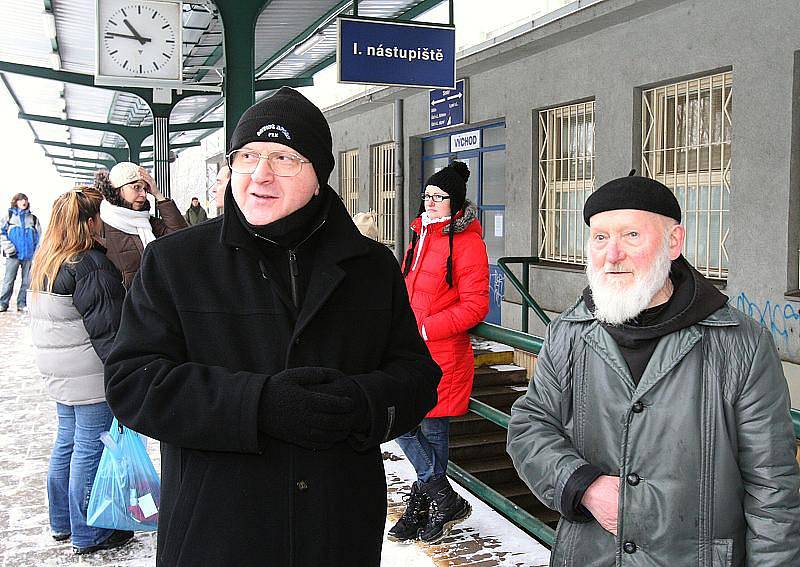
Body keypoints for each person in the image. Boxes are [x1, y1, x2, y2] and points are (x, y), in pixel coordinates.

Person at [103, 87, 441, 566]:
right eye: (248, 156)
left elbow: (416, 375)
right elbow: (133, 382)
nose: (260, 173)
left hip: (336, 531)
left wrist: (361, 404)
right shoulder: (177, 262)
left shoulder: (370, 267)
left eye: (283, 157)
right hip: (216, 535)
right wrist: (258, 405)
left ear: (319, 175)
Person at [507, 174, 800, 566]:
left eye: (630, 235)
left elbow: (772, 489)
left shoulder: (741, 343)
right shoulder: (570, 332)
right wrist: (582, 484)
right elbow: (530, 424)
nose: (612, 255)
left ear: (673, 242)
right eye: (599, 238)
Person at [27, 188, 133, 555]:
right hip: (89, 374)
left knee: (67, 444)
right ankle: (90, 532)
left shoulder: (48, 261)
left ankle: (62, 522)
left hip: (59, 372)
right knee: (89, 449)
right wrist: (126, 375)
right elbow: (109, 330)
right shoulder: (89, 265)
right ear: (90, 222)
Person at [389, 161, 489, 544]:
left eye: (439, 197)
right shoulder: (421, 236)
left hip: (443, 356)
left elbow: (476, 306)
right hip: (409, 353)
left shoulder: (467, 244)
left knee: (431, 430)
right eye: (427, 195)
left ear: (456, 203)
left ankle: (427, 505)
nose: (430, 202)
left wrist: (426, 328)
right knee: (399, 421)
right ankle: (441, 498)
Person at [93, 163, 187, 288]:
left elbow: (181, 239)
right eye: (136, 187)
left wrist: (158, 195)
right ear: (117, 189)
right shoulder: (101, 225)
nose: (143, 194)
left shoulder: (147, 222)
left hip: (156, 299)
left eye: (145, 189)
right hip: (125, 304)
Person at [1, 192, 40, 312]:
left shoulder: (33, 219)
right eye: (21, 200)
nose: (24, 202)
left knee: (27, 282)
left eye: (25, 200)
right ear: (16, 202)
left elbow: (39, 237)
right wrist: (9, 248)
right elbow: (1, 233)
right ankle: (3, 303)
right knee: (8, 280)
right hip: (12, 255)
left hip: (28, 255)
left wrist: (36, 253)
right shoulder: (9, 216)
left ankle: (22, 304)